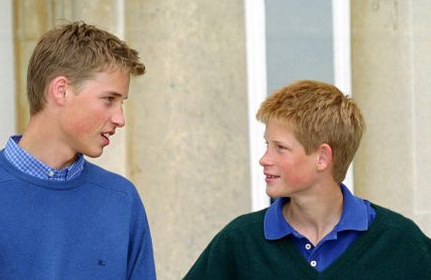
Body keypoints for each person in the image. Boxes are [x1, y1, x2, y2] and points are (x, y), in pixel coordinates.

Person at [0, 21, 156, 280]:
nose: (120, 118)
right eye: (109, 99)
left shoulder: (122, 199)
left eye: (122, 103)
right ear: (61, 90)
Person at [183, 80, 431, 279]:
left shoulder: (402, 242)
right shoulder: (239, 242)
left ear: (322, 157)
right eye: (267, 145)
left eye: (280, 147)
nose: (264, 159)